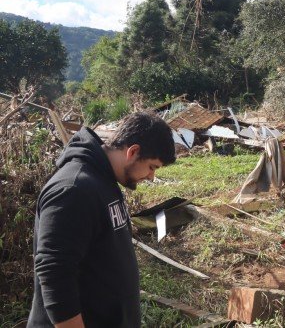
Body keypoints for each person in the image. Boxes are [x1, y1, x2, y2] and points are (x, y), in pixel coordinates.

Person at [27, 112, 176, 328]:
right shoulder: (73, 188)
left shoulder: (104, 181)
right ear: (133, 152)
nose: (152, 176)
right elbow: (55, 271)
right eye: (152, 166)